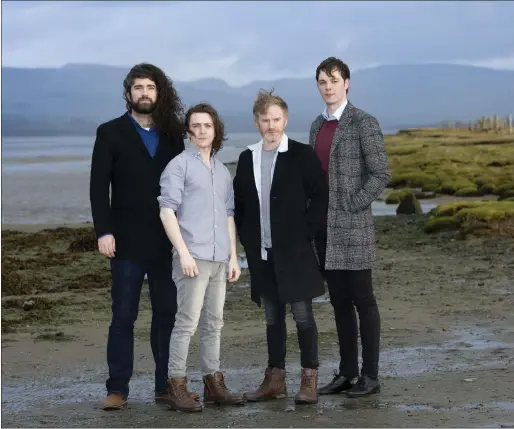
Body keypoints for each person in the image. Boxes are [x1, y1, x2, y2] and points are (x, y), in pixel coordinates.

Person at [89, 63, 199, 410]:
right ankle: (117, 389)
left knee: (166, 314)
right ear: (128, 94)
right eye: (138, 88)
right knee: (123, 316)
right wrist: (103, 231)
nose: (144, 93)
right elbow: (98, 188)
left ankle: (165, 386)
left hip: (167, 242)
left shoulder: (172, 135)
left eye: (150, 87)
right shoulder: (109, 133)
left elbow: (185, 187)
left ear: (159, 92)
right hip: (125, 242)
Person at [233, 89, 328, 405]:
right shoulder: (248, 158)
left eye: (276, 119)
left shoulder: (301, 155)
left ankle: (309, 379)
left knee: (302, 316)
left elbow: (321, 194)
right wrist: (247, 241)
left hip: (295, 252)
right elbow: (241, 204)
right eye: (265, 120)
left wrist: (306, 231)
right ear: (257, 122)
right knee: (272, 318)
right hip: (262, 255)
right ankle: (275, 380)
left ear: (285, 120)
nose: (271, 125)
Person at [310, 57, 391, 397]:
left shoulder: (363, 122)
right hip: (323, 230)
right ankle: (346, 372)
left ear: (347, 83)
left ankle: (369, 376)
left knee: (363, 301)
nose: (328, 86)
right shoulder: (316, 125)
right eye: (322, 82)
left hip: (353, 228)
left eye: (334, 80)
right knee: (339, 303)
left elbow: (381, 174)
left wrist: (353, 204)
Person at [158, 103, 245, 412]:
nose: (202, 130)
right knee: (187, 322)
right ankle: (176, 386)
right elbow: (166, 210)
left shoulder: (222, 171)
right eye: (196, 125)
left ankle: (213, 383)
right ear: (189, 131)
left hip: (219, 259)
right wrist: (183, 253)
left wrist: (234, 257)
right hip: (192, 258)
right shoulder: (178, 166)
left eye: (207, 125)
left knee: (215, 322)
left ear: (215, 130)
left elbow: (229, 216)